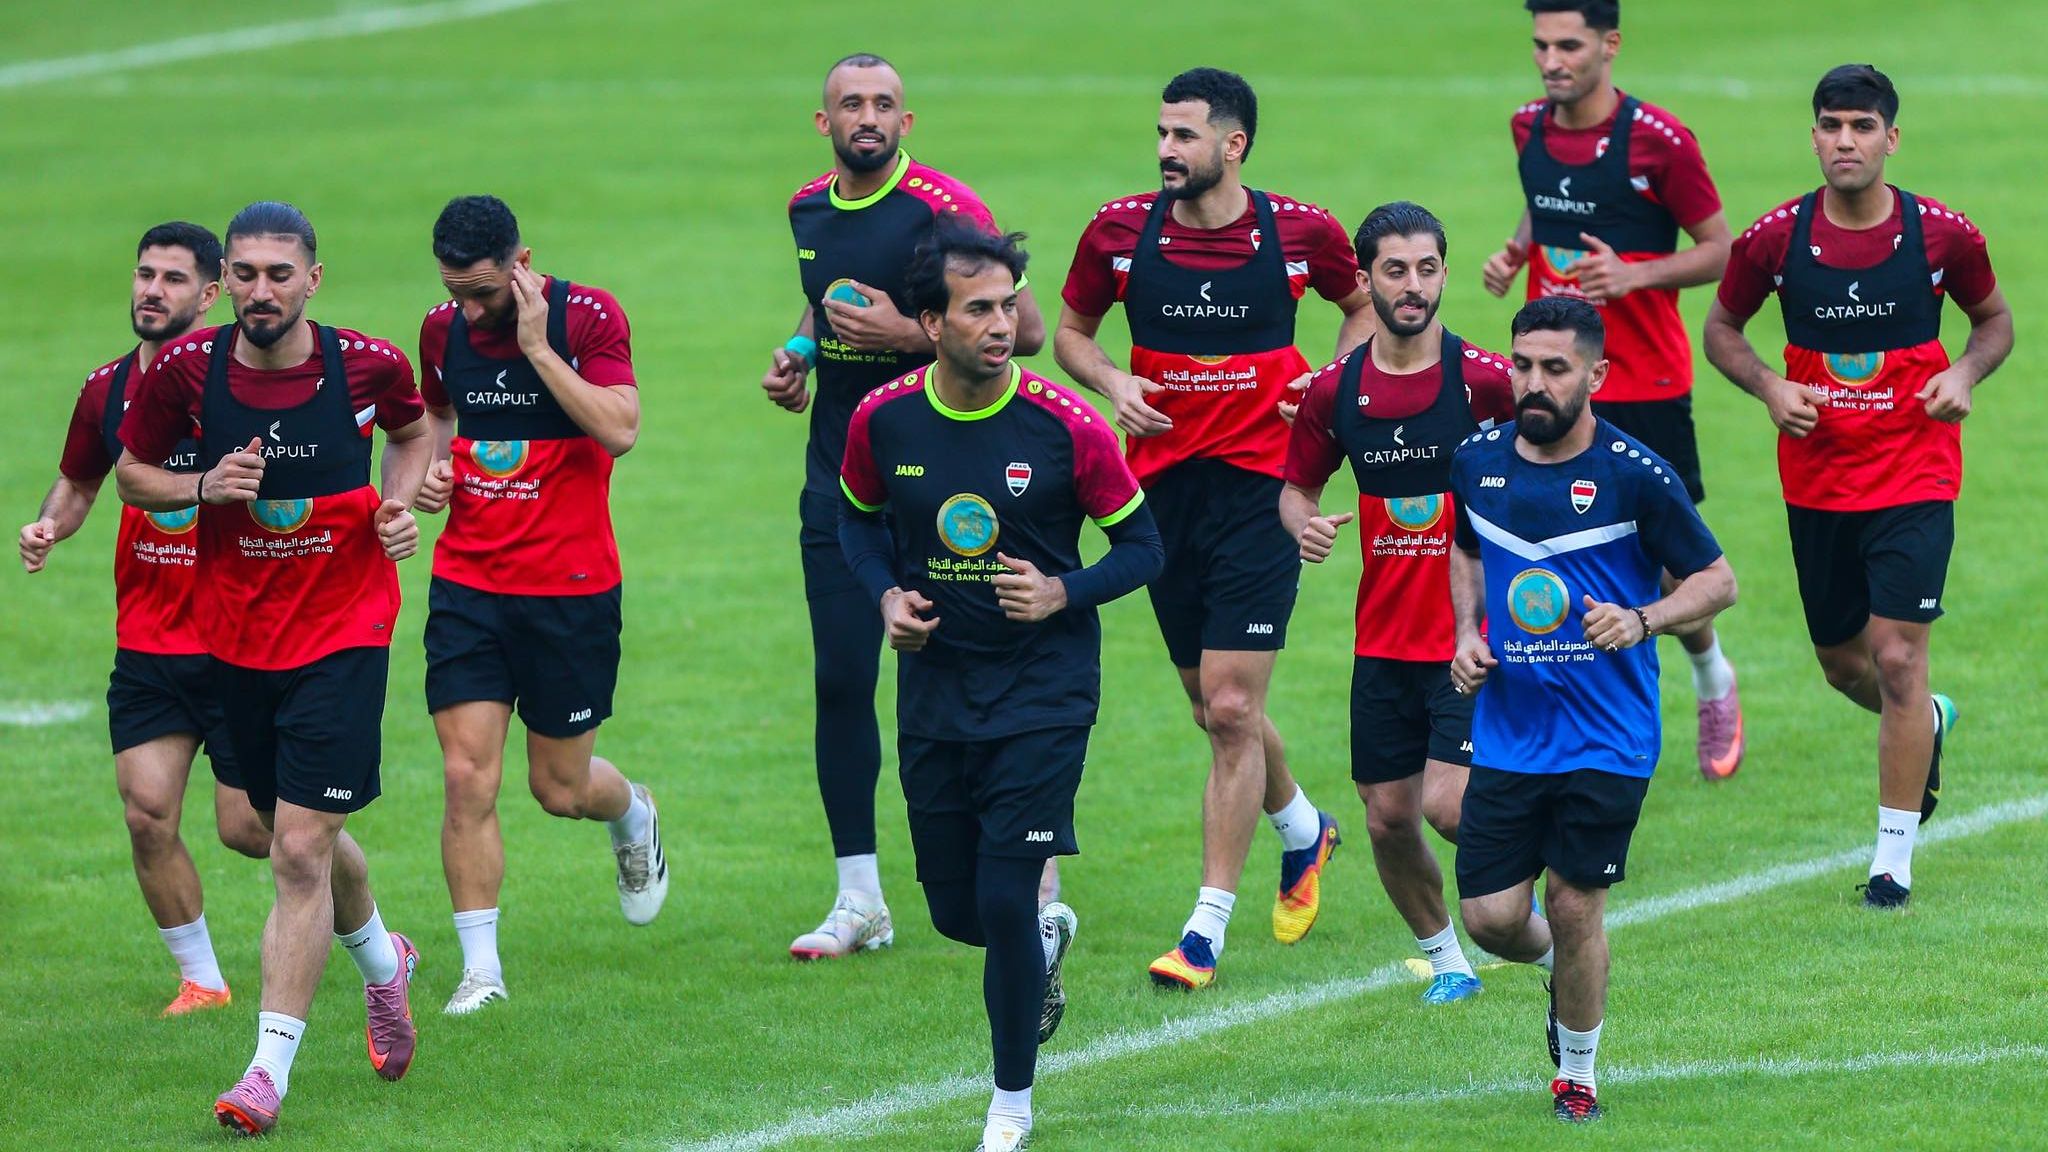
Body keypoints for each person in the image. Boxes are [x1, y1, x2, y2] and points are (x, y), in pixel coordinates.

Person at [839, 222, 1162, 1151]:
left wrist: (1064, 590)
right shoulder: (884, 419)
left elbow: (1145, 547)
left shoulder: (1066, 426)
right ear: (930, 321)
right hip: (937, 692)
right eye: (978, 308)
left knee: (1007, 895)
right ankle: (1037, 944)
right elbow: (856, 526)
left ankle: (1010, 1105)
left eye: (1009, 303)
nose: (1003, 322)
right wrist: (885, 598)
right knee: (957, 910)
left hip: (1044, 692)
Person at [114, 201, 432, 1135]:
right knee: (269, 827)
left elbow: (414, 433)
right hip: (233, 640)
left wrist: (399, 508)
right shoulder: (186, 369)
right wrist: (201, 485)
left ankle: (266, 1072)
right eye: (244, 273)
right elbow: (132, 472)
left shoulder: (369, 364)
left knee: (298, 851)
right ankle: (386, 963)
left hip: (344, 632)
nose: (259, 290)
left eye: (278, 274)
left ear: (313, 280)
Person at [1054, 65, 1374, 989]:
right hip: (1156, 496)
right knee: (1212, 705)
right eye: (1160, 133)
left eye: (1184, 135)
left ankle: (1204, 927)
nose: (1165, 150)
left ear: (1233, 145)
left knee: (1233, 709)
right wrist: (1114, 383)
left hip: (1260, 495)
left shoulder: (1301, 233)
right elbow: (1072, 332)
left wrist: (1319, 391)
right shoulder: (1117, 232)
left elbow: (1356, 314)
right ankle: (1306, 831)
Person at [1703, 65, 2010, 908]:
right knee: (1845, 667)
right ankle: (1929, 723)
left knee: (1899, 656)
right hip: (1819, 482)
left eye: (1863, 127)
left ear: (1891, 138)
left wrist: (1966, 375)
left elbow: (1996, 323)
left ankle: (1891, 863)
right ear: (1813, 136)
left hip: (1916, 472)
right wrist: (1769, 386)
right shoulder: (1775, 240)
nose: (1846, 141)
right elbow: (1721, 329)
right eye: (1832, 125)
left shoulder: (1943, 237)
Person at [769, 52, 1048, 960]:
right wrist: (799, 355)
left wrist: (902, 337)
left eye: (884, 104)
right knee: (842, 683)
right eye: (851, 103)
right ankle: (859, 899)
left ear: (906, 122)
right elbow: (823, 304)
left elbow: (1029, 331)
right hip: (842, 482)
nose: (868, 117)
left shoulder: (945, 210)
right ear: (825, 123)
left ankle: (1033, 872)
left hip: (942, 486)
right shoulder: (807, 207)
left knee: (979, 677)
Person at [1448, 297, 1736, 1122]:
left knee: (1576, 904)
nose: (1532, 385)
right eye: (1522, 365)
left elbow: (1719, 581)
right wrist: (1467, 633)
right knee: (1494, 919)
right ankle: (1562, 974)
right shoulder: (1476, 462)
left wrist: (1644, 618)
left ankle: (1577, 1074)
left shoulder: (1636, 475)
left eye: (1554, 369)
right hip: (1509, 725)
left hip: (1609, 735)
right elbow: (1464, 550)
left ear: (1597, 376)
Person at [412, 195, 664, 1015]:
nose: (469, 309)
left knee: (559, 790)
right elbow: (435, 421)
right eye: (456, 290)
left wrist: (534, 348)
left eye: (484, 290)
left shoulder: (588, 317)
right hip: (469, 585)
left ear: (523, 263)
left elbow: (621, 429)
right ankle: (481, 970)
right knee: (464, 775)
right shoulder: (440, 328)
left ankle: (630, 813)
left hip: (570, 590)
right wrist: (436, 474)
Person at [1481, 0, 1746, 780]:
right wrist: (1514, 249)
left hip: (1646, 381)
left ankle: (1712, 678)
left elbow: (1718, 251)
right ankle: (1574, 722)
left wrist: (1636, 275)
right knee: (1548, 545)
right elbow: (1547, 199)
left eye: (1569, 45)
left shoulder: (1660, 142)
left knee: (1666, 566)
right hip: (1547, 382)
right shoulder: (1528, 126)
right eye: (1541, 45)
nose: (1552, 60)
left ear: (1610, 45)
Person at [18, 221, 270, 1016]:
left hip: (240, 640)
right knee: (146, 812)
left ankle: (369, 931)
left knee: (254, 830)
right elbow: (81, 481)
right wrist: (49, 525)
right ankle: (202, 980)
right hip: (151, 642)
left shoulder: (243, 383)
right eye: (143, 275)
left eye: (170, 279)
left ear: (210, 293)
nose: (150, 291)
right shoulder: (106, 388)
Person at [1279, 202, 1516, 1004]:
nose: (1412, 286)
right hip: (1383, 640)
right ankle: (1450, 961)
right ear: (1365, 278)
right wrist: (1307, 527)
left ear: (1445, 272)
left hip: (1474, 637)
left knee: (1449, 807)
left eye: (1426, 268)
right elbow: (1296, 489)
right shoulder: (1334, 391)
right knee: (1386, 818)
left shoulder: (1486, 382)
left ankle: (1540, 897)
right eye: (1393, 270)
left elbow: (1550, 468)